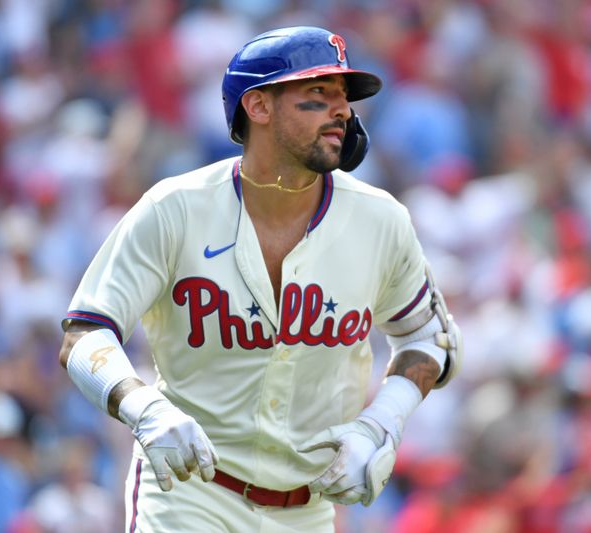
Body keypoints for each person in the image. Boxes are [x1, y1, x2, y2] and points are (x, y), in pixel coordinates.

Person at [58, 26, 463, 533]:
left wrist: (383, 421)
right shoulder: (175, 208)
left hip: (308, 510)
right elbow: (84, 332)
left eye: (344, 97)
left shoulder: (381, 220)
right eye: (318, 95)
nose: (342, 110)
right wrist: (144, 408)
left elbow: (430, 339)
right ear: (259, 106)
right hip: (190, 494)